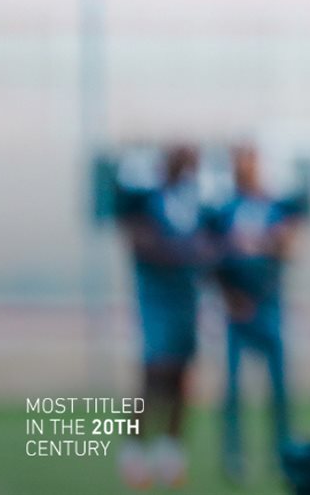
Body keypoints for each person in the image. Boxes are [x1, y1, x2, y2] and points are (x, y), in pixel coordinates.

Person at [206, 143, 304, 484]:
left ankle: (284, 455)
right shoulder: (223, 210)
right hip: (236, 312)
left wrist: (270, 244)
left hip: (269, 307)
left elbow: (288, 248)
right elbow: (211, 258)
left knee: (279, 389)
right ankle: (233, 456)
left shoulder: (276, 207)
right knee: (232, 389)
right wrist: (230, 297)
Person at [116, 144, 211, 490]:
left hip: (187, 300)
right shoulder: (146, 200)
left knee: (181, 376)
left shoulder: (194, 203)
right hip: (156, 300)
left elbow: (209, 244)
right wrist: (189, 253)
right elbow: (141, 242)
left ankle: (170, 452)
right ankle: (133, 450)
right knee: (154, 373)